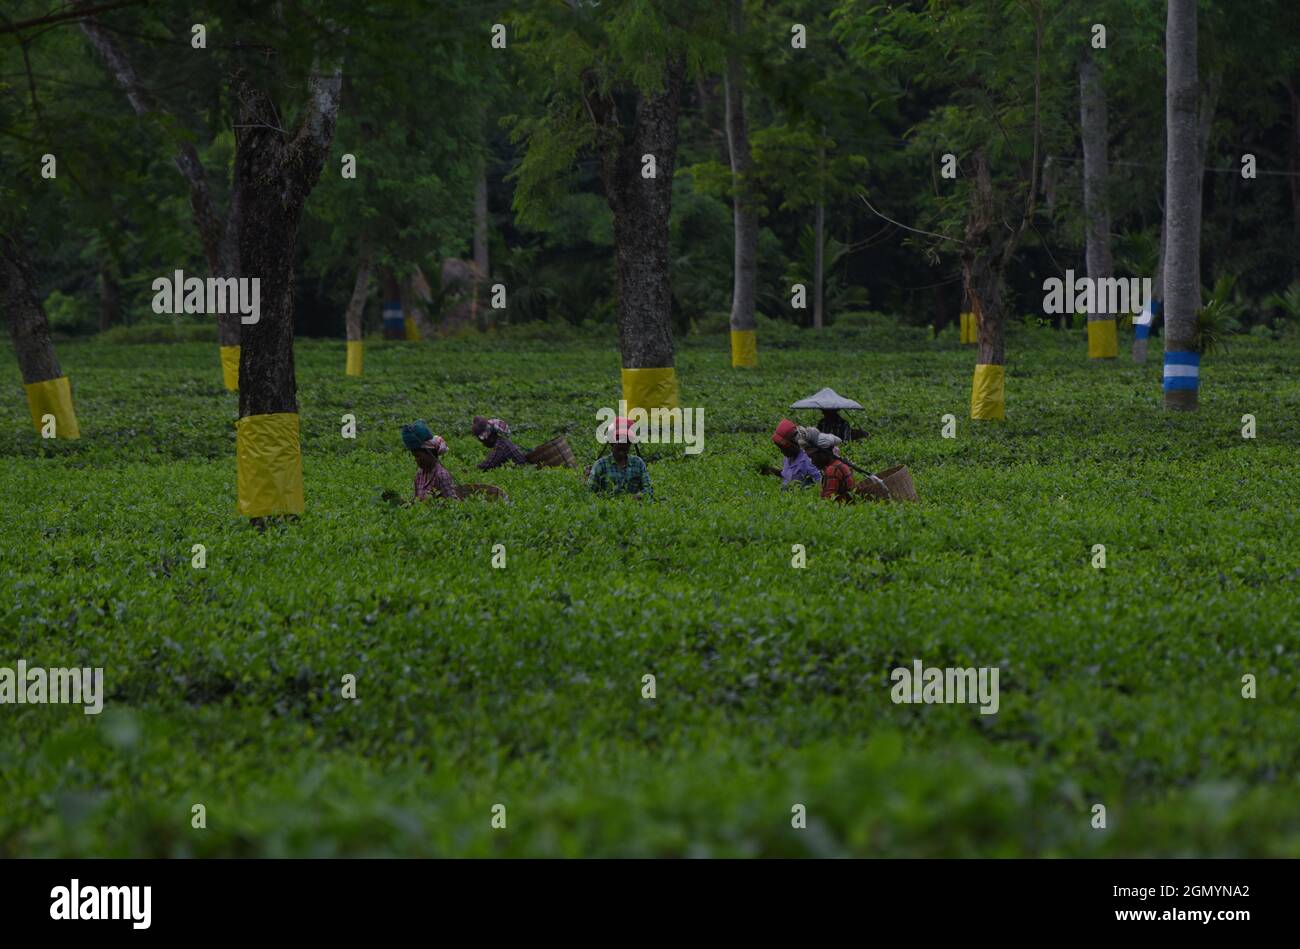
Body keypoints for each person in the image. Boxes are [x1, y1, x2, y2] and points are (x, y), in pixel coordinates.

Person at [588, 417, 653, 499]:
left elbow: (649, 489)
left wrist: (635, 497)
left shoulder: (638, 463)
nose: (622, 453)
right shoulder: (600, 465)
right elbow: (589, 493)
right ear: (611, 445)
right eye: (619, 449)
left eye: (625, 449)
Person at [402, 421, 460, 501]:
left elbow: (452, 503)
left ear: (430, 454)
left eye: (418, 456)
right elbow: (416, 501)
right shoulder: (419, 474)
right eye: (414, 456)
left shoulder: (441, 475)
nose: (416, 460)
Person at [798, 426, 856, 503]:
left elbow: (827, 502)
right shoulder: (840, 463)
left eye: (812, 457)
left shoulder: (833, 469)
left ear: (823, 453)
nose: (812, 462)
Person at [771, 418, 821, 489]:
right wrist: (773, 471)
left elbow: (819, 481)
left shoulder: (808, 460)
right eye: (780, 448)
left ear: (793, 445)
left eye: (783, 448)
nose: (782, 451)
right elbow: (788, 476)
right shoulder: (788, 458)